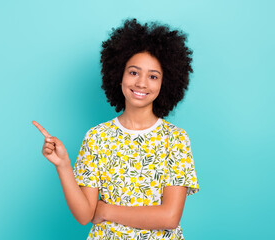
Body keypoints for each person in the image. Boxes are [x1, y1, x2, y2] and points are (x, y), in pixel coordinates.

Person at [33, 18, 200, 240]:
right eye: (133, 72)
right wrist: (63, 165)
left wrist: (106, 210)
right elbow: (84, 216)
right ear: (118, 76)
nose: (141, 83)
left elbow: (169, 217)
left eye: (153, 76)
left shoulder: (175, 139)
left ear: (165, 83)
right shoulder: (97, 137)